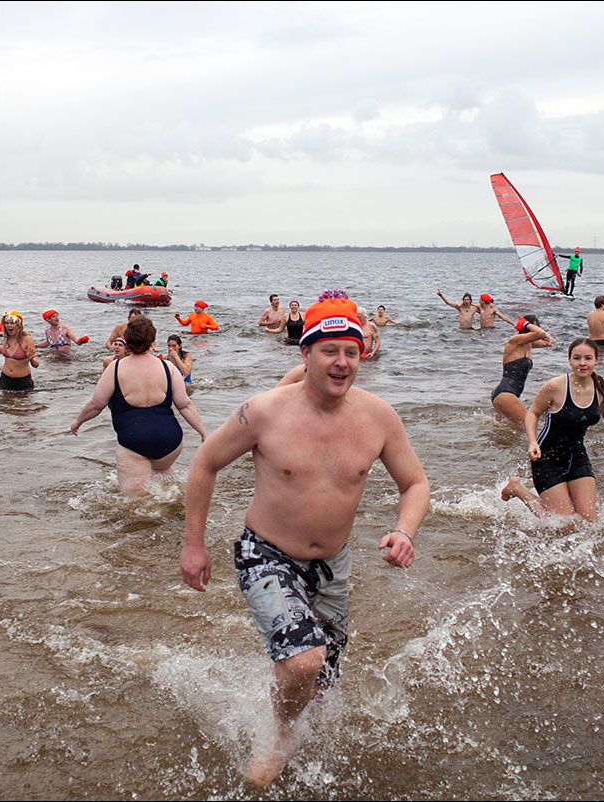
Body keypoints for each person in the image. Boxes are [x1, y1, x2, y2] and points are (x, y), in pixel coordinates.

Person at [178, 290, 429, 788]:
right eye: (329, 351)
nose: (342, 362)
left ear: (364, 354)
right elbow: (205, 462)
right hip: (265, 554)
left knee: (320, 682)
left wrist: (404, 530)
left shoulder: (379, 417)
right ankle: (278, 735)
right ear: (306, 353)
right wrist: (193, 543)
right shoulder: (264, 411)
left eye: (351, 352)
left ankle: (286, 713)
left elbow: (416, 484)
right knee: (303, 660)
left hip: (333, 567)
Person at [501, 338, 604, 524]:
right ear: (570, 361)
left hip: (577, 457)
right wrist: (532, 441)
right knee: (564, 525)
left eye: (588, 358)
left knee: (589, 523)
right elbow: (533, 413)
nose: (582, 363)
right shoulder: (556, 386)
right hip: (547, 459)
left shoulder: (600, 386)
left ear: (596, 360)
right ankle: (517, 489)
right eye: (577, 358)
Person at [71, 315, 206, 495]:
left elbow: (96, 405)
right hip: (171, 441)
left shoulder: (115, 368)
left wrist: (78, 422)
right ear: (152, 340)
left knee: (136, 505)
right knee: (164, 485)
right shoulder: (168, 367)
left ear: (128, 340)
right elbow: (185, 405)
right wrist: (203, 433)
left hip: (134, 440)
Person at [490, 315, 554, 427]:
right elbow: (541, 334)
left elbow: (551, 341)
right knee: (529, 427)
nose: (536, 330)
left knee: (504, 434)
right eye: (534, 327)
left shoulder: (529, 344)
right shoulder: (515, 341)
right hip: (505, 393)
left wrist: (530, 327)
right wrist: (525, 324)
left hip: (509, 394)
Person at [0, 311, 39, 391]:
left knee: (23, 403)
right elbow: (3, 349)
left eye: (12, 323)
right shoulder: (7, 336)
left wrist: (31, 359)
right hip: (4, 380)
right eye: (6, 323)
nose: (9, 326)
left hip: (23, 382)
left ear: (18, 325)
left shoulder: (26, 339)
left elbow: (36, 364)